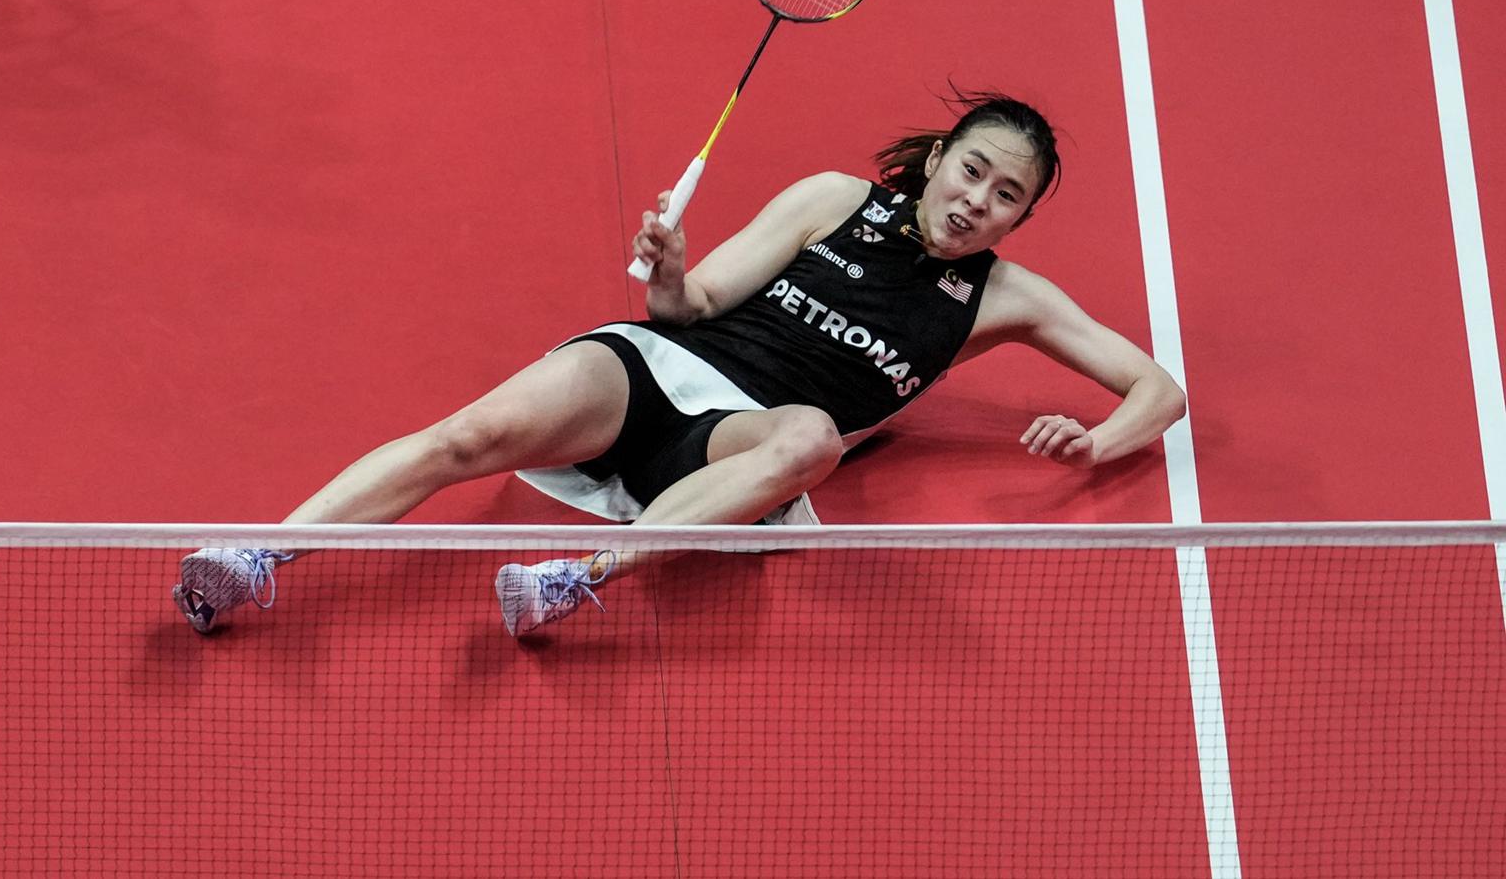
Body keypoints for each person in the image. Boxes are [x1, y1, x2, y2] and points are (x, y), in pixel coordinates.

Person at [172, 93, 1187, 637]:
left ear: (1020, 216)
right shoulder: (833, 199)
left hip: (742, 443)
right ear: (935, 160)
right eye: (971, 169)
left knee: (812, 436)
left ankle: (573, 582)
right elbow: (689, 306)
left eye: (1006, 195)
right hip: (657, 370)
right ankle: (256, 556)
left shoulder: (1006, 299)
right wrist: (666, 266)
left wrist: (1097, 442)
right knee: (467, 436)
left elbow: (1160, 390)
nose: (976, 200)